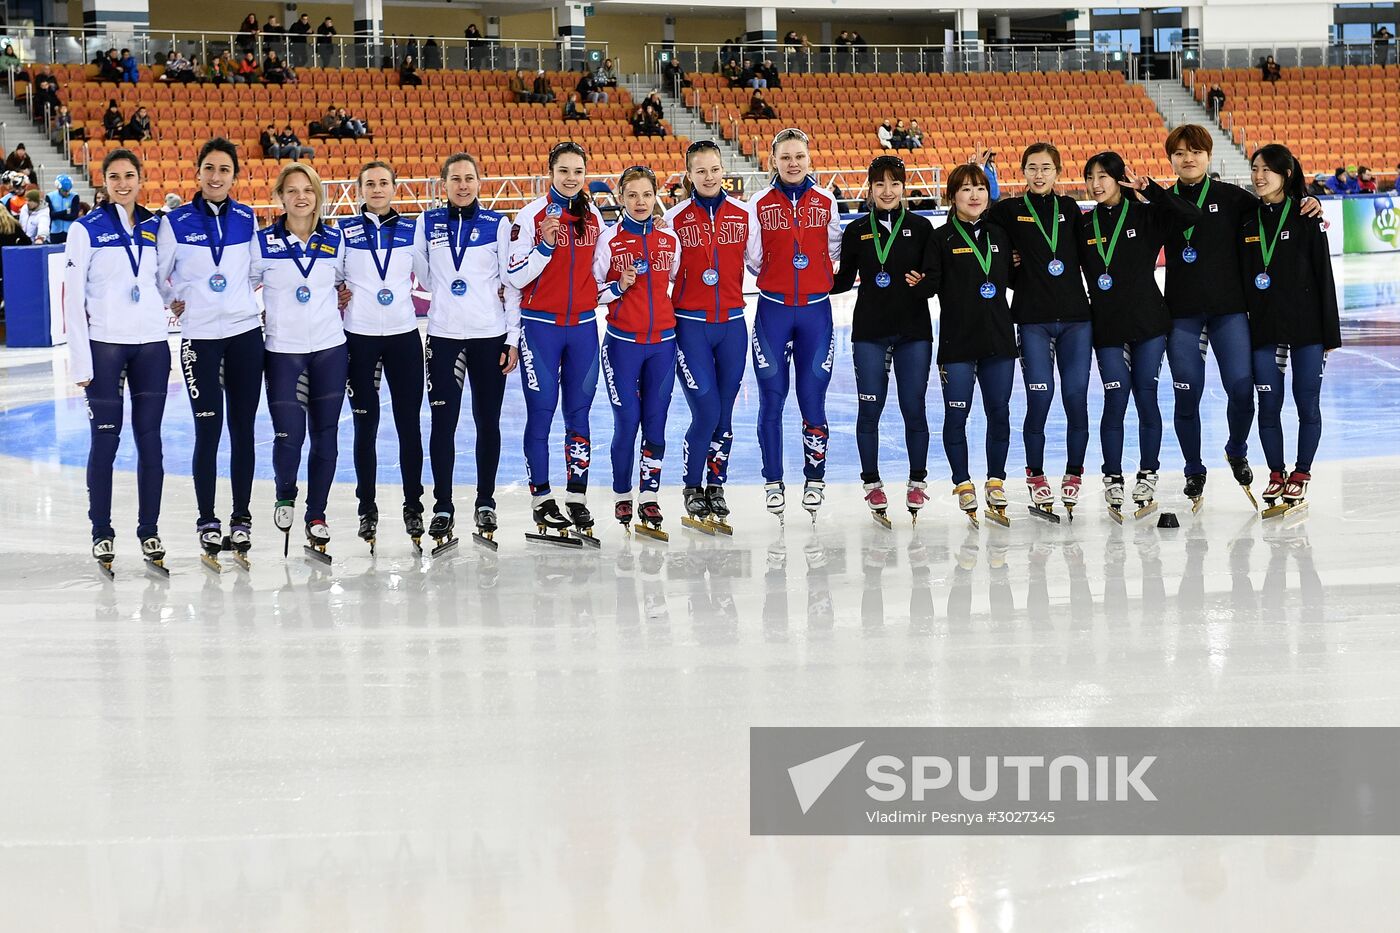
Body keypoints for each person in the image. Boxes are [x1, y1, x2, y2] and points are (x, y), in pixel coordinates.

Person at [1161, 124, 1322, 510]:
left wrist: (1310, 200)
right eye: (1180, 153)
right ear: (1170, 160)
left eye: (1195, 151)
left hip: (1229, 311)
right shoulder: (1160, 203)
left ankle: (1236, 448)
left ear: (1208, 156)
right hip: (1182, 315)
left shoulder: (1235, 199)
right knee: (1187, 392)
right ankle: (1193, 468)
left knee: (1241, 388)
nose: (1188, 158)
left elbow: (1278, 207)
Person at [1078, 150, 1202, 520]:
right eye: (1090, 177)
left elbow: (1191, 215)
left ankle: (1148, 473)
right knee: (1115, 399)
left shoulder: (1146, 215)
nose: (1096, 184)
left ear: (1119, 179)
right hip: (1108, 327)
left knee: (1146, 397)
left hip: (1149, 324)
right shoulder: (1082, 225)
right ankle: (1113, 477)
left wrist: (1151, 190)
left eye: (1103, 176)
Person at [156, 138, 262, 563]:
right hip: (199, 337)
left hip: (244, 334)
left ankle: (241, 518)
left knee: (243, 429)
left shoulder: (247, 218)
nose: (216, 177)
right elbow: (158, 274)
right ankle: (207, 520)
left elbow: (256, 269)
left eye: (224, 169)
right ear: (197, 172)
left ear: (235, 176)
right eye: (209, 169)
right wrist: (175, 299)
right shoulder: (175, 221)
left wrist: (235, 299)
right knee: (208, 430)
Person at [63, 148, 169, 573]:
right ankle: (101, 531)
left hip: (152, 345)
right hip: (105, 345)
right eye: (114, 177)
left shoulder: (155, 225)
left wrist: (179, 300)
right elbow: (72, 298)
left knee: (151, 441)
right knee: (105, 441)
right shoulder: (84, 229)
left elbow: (165, 280)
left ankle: (149, 530)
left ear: (141, 178)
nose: (122, 184)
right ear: (104, 182)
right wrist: (80, 362)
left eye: (129, 176)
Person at [413, 152, 519, 548]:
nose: (462, 185)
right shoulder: (426, 222)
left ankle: (485, 501)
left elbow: (510, 285)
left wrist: (512, 338)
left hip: (489, 336)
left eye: (469, 178)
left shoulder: (497, 224)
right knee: (443, 424)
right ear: (443, 184)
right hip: (443, 336)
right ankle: (442, 506)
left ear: (479, 182)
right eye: (455, 179)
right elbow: (424, 276)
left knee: (487, 422)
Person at [505, 141, 606, 542]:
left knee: (579, 415)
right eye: (563, 171)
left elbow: (600, 274)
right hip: (541, 329)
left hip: (583, 328)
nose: (571, 178)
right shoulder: (530, 216)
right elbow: (514, 277)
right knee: (542, 413)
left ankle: (576, 496)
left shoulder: (593, 217)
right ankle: (542, 498)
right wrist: (544, 247)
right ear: (550, 173)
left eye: (578, 171)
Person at [988, 142, 1093, 519]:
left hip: (1077, 320)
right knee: (1041, 397)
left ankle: (1074, 472)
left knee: (1076, 398)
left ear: (1058, 172)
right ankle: (1035, 473)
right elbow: (977, 227)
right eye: (1032, 168)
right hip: (1032, 319)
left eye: (1046, 168)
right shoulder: (1010, 210)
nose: (1039, 174)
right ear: (1023, 172)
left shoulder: (1069, 209)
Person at [909, 162, 1017, 526]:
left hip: (999, 339)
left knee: (999, 413)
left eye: (980, 188)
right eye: (966, 189)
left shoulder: (1000, 234)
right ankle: (963, 482)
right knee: (957, 415)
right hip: (957, 342)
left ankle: (996, 480)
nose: (974, 195)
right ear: (952, 196)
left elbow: (1016, 275)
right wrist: (916, 284)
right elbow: (931, 283)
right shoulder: (940, 238)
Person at [250, 162, 349, 557]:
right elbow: (241, 288)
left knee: (326, 435)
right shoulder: (261, 242)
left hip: (330, 349)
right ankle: (285, 492)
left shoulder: (336, 239)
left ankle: (317, 513)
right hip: (283, 353)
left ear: (317, 195)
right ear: (280, 196)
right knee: (289, 436)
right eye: (291, 190)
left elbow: (345, 282)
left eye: (307, 189)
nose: (300, 197)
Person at [743, 127, 843, 520]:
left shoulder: (826, 200)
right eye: (785, 157)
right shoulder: (758, 203)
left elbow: (833, 249)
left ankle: (815, 479)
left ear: (809, 158)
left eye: (799, 156)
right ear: (773, 160)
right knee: (771, 399)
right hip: (773, 311)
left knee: (812, 399)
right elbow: (753, 258)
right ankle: (773, 481)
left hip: (816, 312)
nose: (793, 163)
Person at [830, 154, 935, 525]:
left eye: (894, 183)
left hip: (913, 332)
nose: (887, 191)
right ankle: (871, 482)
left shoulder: (922, 227)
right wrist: (806, 274)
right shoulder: (857, 230)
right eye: (880, 184)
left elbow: (935, 278)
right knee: (869, 409)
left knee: (913, 407)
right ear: (870, 188)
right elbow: (842, 281)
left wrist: (927, 283)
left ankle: (917, 480)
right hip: (870, 332)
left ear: (904, 187)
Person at [1241, 143, 1340, 516]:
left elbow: (1323, 276)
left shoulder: (1306, 216)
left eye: (1267, 169)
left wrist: (1330, 334)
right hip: (1264, 329)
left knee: (1306, 402)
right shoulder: (1247, 220)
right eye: (1255, 169)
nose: (1259, 176)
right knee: (1268, 404)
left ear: (1286, 174)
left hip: (1307, 329)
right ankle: (1276, 473)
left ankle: (1301, 472)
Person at [338, 161, 426, 551]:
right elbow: (331, 279)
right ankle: (367, 508)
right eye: (370, 183)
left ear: (394, 188)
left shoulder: (412, 228)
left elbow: (431, 277)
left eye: (383, 183)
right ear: (360, 190)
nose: (377, 189)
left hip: (404, 338)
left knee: (409, 426)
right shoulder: (344, 231)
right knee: (365, 428)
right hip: (359, 340)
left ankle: (413, 505)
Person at [662, 140, 750, 531]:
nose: (709, 177)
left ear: (723, 170)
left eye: (714, 169)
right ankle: (691, 485)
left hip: (732, 325)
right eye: (701, 171)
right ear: (689, 175)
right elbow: (663, 271)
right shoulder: (673, 219)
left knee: (724, 416)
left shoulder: (745, 215)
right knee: (706, 411)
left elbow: (759, 261)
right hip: (690, 326)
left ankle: (716, 486)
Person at [593, 165, 682, 538]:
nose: (640, 202)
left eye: (646, 194)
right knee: (627, 422)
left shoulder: (669, 239)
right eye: (632, 195)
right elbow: (591, 291)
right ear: (621, 198)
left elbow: (678, 280)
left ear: (655, 196)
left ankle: (649, 495)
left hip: (662, 345)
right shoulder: (608, 240)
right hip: (622, 346)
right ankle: (621, 494)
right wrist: (618, 286)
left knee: (656, 423)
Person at [45, 174, 80, 244]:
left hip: (70, 231)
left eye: (68, 190)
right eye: (64, 191)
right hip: (55, 232)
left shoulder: (74, 196)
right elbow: (51, 215)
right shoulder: (50, 196)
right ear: (58, 188)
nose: (67, 193)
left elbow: (73, 216)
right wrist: (66, 211)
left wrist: (57, 215)